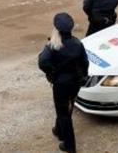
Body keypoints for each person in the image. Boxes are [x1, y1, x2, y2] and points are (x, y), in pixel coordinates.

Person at [38, 13, 89, 153]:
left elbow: (42, 62)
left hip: (61, 84)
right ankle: (59, 131)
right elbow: (85, 63)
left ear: (56, 29)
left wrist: (52, 72)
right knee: (67, 107)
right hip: (75, 82)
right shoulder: (78, 43)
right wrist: (83, 76)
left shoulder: (52, 45)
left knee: (64, 114)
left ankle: (69, 146)